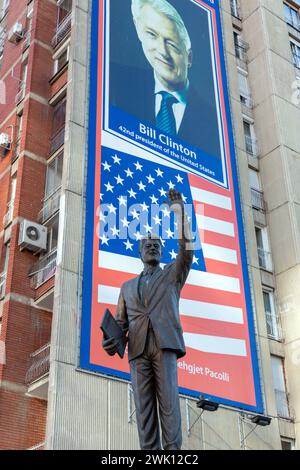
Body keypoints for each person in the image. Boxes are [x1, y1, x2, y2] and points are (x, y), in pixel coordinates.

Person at [102, 189, 194, 450]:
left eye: (157, 245)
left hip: (164, 345)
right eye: (147, 246)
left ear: (162, 252)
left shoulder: (173, 275)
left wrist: (180, 214)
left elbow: (186, 252)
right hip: (138, 349)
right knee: (143, 410)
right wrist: (109, 343)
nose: (152, 247)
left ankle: (173, 452)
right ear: (140, 253)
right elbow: (120, 326)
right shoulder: (127, 287)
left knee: (168, 404)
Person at [109, 0, 221, 158]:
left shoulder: (213, 122)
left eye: (172, 45)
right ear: (138, 29)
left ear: (189, 58)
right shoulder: (115, 81)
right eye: (152, 35)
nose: (163, 52)